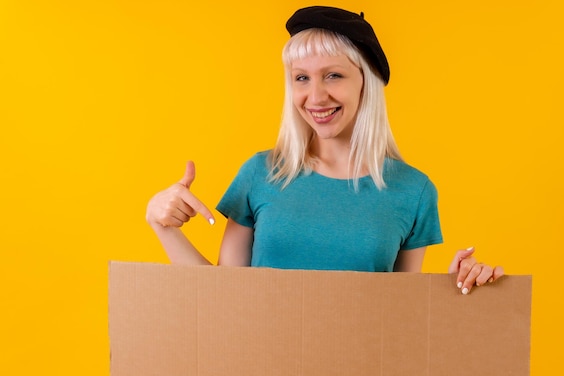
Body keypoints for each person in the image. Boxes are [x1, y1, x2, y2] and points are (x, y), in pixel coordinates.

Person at [145, 5, 504, 294]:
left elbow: (401, 319)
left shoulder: (413, 191)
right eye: (301, 78)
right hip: (260, 372)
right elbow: (221, 297)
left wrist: (464, 287)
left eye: (333, 75)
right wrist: (162, 226)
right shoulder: (260, 174)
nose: (315, 97)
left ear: (366, 83)